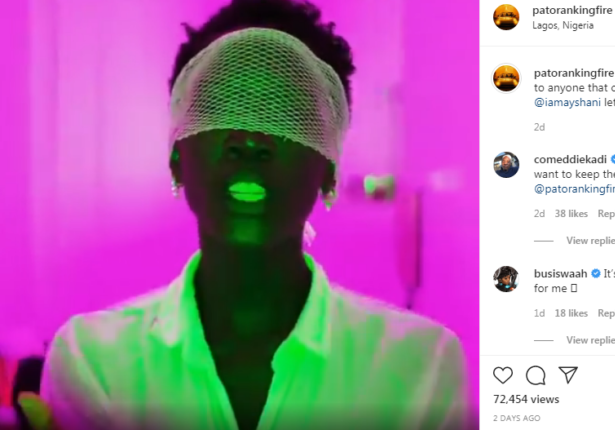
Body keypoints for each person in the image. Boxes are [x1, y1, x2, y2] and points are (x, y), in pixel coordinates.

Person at [19, 1, 469, 430]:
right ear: (176, 157)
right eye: (219, 106)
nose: (251, 139)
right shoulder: (95, 361)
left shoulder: (420, 367)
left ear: (328, 167)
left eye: (287, 112)